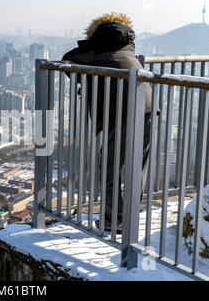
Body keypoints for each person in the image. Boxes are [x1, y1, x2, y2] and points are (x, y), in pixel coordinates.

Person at [62, 13, 153, 232]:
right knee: (137, 167)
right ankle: (128, 216)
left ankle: (114, 220)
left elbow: (68, 58)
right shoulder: (128, 49)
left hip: (122, 111)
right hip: (148, 107)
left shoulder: (98, 51)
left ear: (98, 34)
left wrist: (90, 43)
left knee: (109, 168)